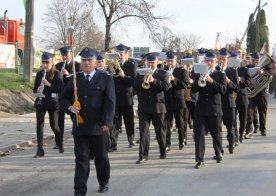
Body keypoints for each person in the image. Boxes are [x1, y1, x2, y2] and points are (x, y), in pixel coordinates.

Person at [59, 47, 115, 195]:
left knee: (101, 158)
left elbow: (110, 103)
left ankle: (103, 181)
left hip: (99, 127)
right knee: (81, 160)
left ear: (96, 62)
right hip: (80, 126)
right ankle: (79, 190)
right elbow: (62, 98)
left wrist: (107, 123)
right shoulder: (75, 79)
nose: (87, 63)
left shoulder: (105, 78)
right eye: (84, 60)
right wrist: (69, 108)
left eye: (90, 60)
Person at [192, 50, 227, 169]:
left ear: (215, 62)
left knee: (216, 134)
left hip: (215, 110)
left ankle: (218, 153)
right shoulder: (198, 73)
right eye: (207, 60)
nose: (209, 62)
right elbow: (194, 90)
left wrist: (211, 81)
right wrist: (198, 80)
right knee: (199, 135)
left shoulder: (220, 75)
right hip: (201, 110)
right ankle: (199, 159)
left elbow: (222, 90)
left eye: (211, 61)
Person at [134, 53, 170, 164]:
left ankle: (162, 150)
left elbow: (166, 87)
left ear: (157, 62)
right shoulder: (141, 73)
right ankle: (143, 155)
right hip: (144, 107)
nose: (150, 64)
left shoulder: (163, 73)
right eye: (148, 62)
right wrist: (142, 80)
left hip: (158, 107)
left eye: (152, 62)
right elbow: (134, 87)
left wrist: (153, 81)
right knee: (144, 132)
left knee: (160, 131)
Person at [33, 52, 64, 158]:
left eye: (47, 62)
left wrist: (49, 84)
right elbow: (34, 89)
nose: (45, 65)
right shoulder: (39, 74)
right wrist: (38, 89)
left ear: (52, 62)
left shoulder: (57, 73)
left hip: (52, 102)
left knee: (54, 125)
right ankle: (40, 149)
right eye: (43, 62)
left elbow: (61, 89)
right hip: (41, 101)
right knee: (40, 124)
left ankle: (60, 142)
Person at [109, 43, 137, 151]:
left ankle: (131, 139)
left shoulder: (131, 65)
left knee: (128, 120)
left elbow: (133, 82)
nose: (119, 56)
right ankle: (113, 143)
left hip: (126, 98)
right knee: (114, 122)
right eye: (118, 54)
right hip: (115, 97)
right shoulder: (112, 65)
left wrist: (123, 76)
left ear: (126, 54)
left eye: (121, 54)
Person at [55, 46, 81, 147]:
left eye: (66, 54)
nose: (64, 57)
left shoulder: (77, 65)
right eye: (63, 55)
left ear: (71, 54)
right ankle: (59, 142)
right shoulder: (58, 66)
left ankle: (78, 140)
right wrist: (59, 76)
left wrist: (68, 74)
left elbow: (78, 78)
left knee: (74, 118)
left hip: (72, 96)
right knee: (59, 121)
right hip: (61, 95)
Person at [164, 52, 189, 150]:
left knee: (180, 123)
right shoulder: (163, 70)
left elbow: (185, 84)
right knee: (167, 123)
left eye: (171, 61)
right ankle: (167, 143)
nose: (169, 63)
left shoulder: (181, 71)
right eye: (168, 61)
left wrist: (174, 79)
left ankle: (181, 140)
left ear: (175, 61)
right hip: (167, 100)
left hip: (178, 100)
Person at [245, 52, 274, 138]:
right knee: (249, 112)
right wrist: (251, 79)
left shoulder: (266, 67)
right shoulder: (249, 67)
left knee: (262, 112)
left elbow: (271, 72)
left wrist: (264, 73)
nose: (256, 61)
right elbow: (245, 76)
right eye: (254, 60)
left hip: (263, 93)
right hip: (252, 93)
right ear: (252, 60)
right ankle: (248, 130)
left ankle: (263, 129)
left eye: (257, 60)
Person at [217, 48, 238, 154]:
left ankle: (231, 145)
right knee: (217, 129)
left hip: (229, 103)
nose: (221, 61)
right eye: (220, 59)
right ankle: (219, 150)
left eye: (224, 59)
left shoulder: (233, 71)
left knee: (230, 127)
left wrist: (228, 80)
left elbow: (236, 88)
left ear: (228, 60)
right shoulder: (215, 70)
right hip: (217, 104)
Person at [233, 52, 251, 143]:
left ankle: (241, 134)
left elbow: (248, 83)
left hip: (243, 97)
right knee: (233, 119)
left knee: (243, 119)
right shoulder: (229, 70)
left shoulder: (245, 70)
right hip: (232, 98)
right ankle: (235, 136)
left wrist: (241, 79)